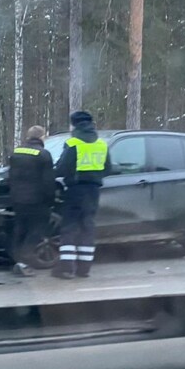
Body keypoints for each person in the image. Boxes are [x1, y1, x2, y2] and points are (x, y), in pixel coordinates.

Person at [53, 110, 113, 279]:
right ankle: (84, 269)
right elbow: (108, 168)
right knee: (88, 227)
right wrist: (94, 176)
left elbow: (62, 168)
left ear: (74, 125)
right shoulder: (101, 144)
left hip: (75, 190)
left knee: (69, 227)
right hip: (93, 191)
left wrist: (57, 174)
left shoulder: (73, 143)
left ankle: (66, 268)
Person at [8, 125, 57, 277]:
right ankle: (25, 260)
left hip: (18, 199)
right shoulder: (43, 155)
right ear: (41, 137)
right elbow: (48, 181)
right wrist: (51, 200)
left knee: (20, 230)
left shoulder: (16, 152)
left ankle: (17, 262)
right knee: (36, 231)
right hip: (37, 201)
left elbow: (10, 177)